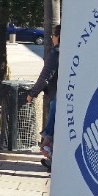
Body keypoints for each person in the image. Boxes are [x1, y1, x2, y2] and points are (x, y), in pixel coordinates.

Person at [27, 25, 61, 171]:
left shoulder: (56, 52)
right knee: (57, 129)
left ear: (58, 37)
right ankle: (53, 159)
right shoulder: (70, 52)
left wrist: (32, 93)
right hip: (66, 97)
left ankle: (52, 158)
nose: (52, 38)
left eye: (53, 35)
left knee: (52, 130)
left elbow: (45, 76)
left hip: (57, 97)